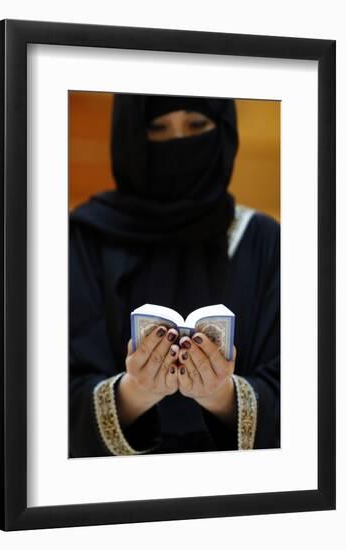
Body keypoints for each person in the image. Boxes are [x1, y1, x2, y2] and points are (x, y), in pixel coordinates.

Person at [68, 93, 280, 457]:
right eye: (157, 129)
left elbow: (306, 390)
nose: (179, 143)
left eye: (197, 125)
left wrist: (221, 394)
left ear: (224, 131)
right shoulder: (85, 237)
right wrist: (135, 392)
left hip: (238, 493)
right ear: (131, 137)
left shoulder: (262, 239)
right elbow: (43, 391)